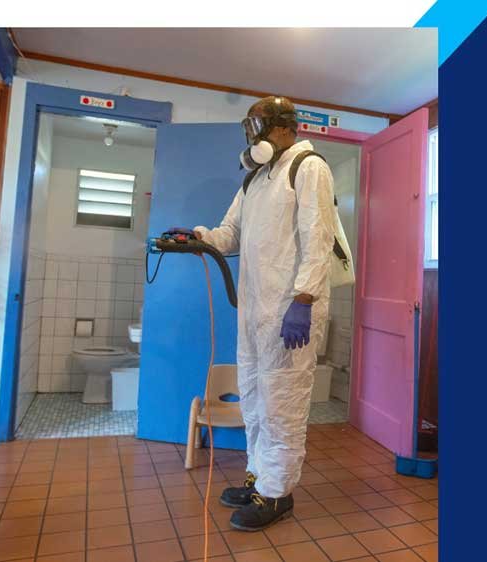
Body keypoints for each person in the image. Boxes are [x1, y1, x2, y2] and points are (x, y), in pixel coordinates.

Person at [179, 96, 335, 532]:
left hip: (291, 314)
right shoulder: (254, 180)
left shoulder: (309, 169)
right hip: (254, 314)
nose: (256, 139)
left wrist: (304, 300)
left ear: (286, 128)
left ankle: (278, 493)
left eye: (261, 129)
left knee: (281, 403)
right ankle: (258, 478)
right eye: (252, 130)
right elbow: (230, 233)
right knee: (253, 400)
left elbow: (318, 238)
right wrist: (200, 238)